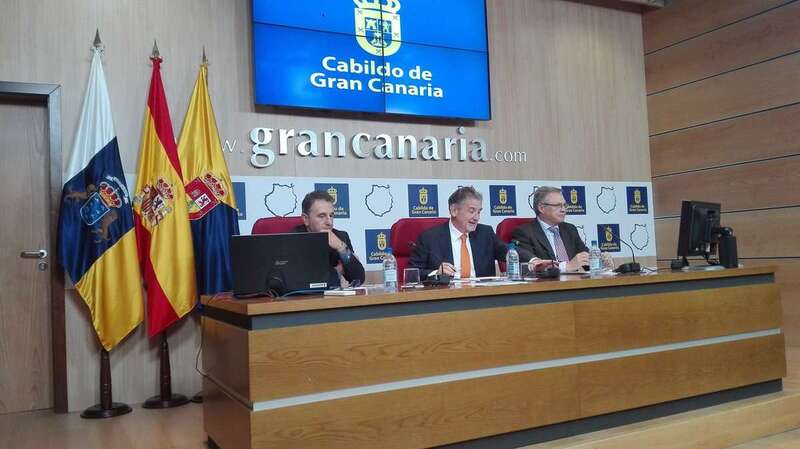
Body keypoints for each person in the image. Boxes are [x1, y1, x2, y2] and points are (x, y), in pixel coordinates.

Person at [409, 186, 508, 279]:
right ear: (454, 211)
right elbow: (412, 274)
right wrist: (437, 273)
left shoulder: (486, 233)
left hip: (481, 294)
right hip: (449, 294)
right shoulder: (429, 238)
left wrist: (519, 255)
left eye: (479, 212)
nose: (477, 217)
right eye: (471, 211)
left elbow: (510, 253)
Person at [511, 186, 611, 272]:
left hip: (574, 286)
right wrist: (566, 267)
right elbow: (528, 269)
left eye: (564, 205)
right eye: (558, 205)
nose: (563, 210)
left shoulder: (570, 229)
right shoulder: (524, 233)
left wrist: (600, 263)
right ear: (541, 208)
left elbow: (586, 261)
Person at [293, 191, 365, 288]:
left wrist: (341, 247)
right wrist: (338, 271)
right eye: (322, 216)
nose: (329, 222)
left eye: (331, 215)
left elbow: (358, 278)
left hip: (333, 300)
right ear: (306, 219)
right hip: (301, 301)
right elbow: (303, 282)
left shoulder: (340, 237)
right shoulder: (293, 240)